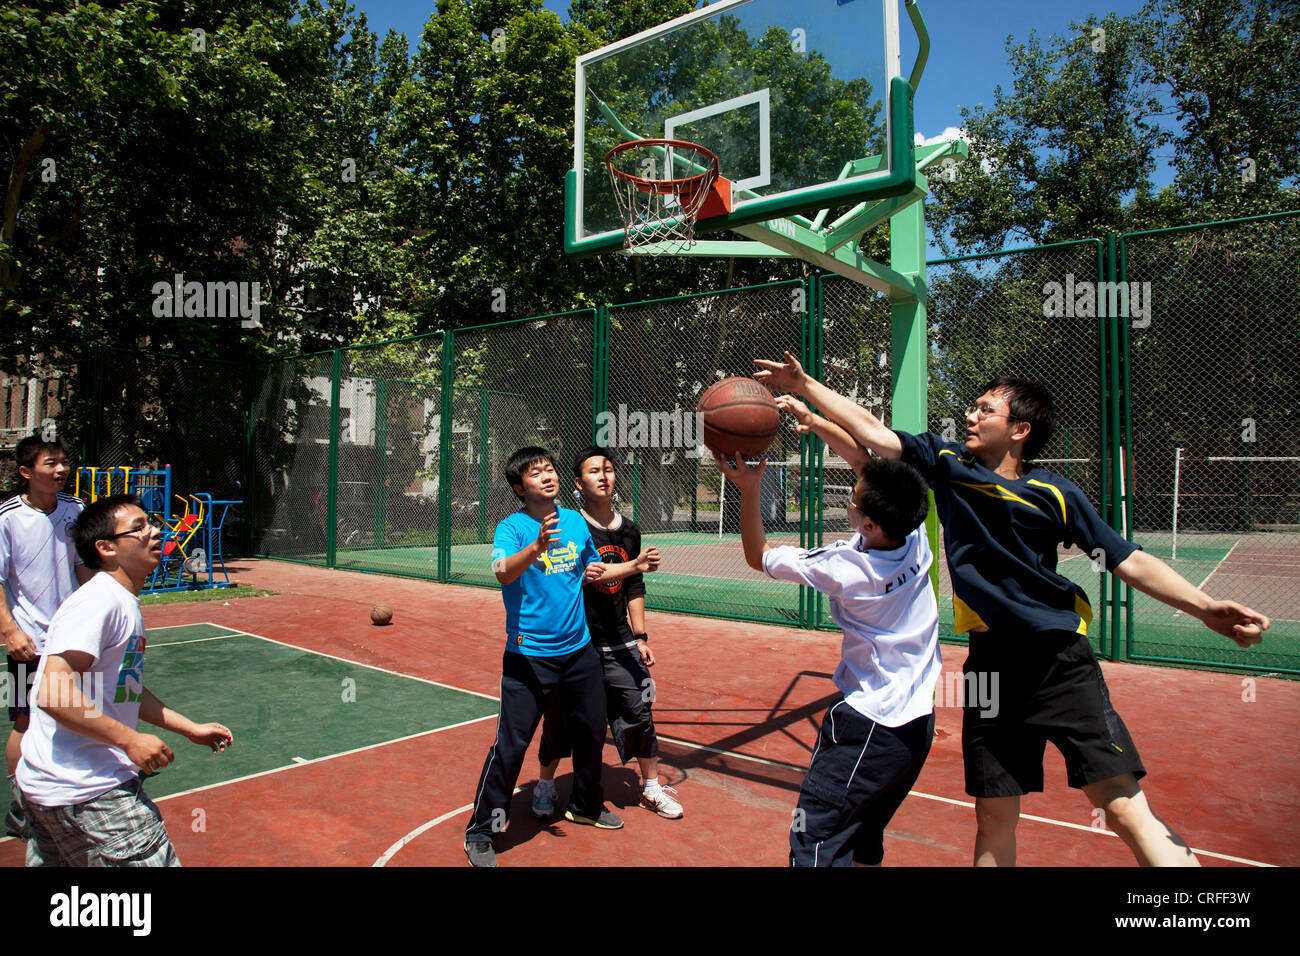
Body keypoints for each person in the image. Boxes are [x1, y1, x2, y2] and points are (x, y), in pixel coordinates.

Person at [755, 352, 1270, 866]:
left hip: (1059, 662)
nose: (971, 417)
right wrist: (808, 391)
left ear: (1019, 429)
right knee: (994, 819)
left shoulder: (1055, 493)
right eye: (973, 408)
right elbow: (873, 440)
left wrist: (1204, 607)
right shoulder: (948, 465)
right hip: (991, 669)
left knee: (1123, 810)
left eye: (985, 410)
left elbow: (1127, 560)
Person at [719, 426, 940, 865]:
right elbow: (868, 466)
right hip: (918, 724)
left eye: (853, 501)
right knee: (863, 839)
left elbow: (757, 554)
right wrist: (813, 417)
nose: (848, 502)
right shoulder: (914, 534)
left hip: (868, 725)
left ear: (870, 523)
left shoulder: (846, 566)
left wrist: (749, 489)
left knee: (816, 841)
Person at [15, 493, 233, 866]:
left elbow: (125, 687)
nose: (153, 531)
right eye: (139, 527)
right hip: (93, 795)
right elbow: (50, 692)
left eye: (150, 522)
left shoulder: (119, 600)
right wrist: (128, 739)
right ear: (106, 547)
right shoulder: (100, 602)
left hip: (53, 793)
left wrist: (189, 728)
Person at [464, 446, 656, 867]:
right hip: (528, 658)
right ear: (519, 487)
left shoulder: (572, 521)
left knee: (590, 734)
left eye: (550, 468)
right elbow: (502, 572)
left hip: (579, 653)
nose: (546, 476)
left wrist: (635, 566)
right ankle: (481, 829)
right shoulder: (511, 528)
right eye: (535, 473)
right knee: (511, 746)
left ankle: (586, 805)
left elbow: (595, 571)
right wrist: (536, 547)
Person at [532, 447, 681, 821]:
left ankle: (650, 787)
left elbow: (634, 585)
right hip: (577, 643)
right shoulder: (567, 525)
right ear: (578, 483)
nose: (604, 476)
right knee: (561, 720)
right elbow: (577, 576)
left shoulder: (629, 530)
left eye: (609, 470)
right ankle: (546, 784)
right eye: (594, 471)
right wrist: (633, 565)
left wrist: (641, 636)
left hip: (619, 641)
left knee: (640, 711)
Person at [0, 435, 94, 838]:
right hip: (29, 642)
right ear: (26, 472)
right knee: (25, 721)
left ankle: (77, 794)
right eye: (51, 463)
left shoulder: (76, 510)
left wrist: (96, 621)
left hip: (73, 640)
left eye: (64, 462)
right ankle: (22, 805)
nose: (61, 470)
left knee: (84, 714)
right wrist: (9, 631)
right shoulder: (6, 517)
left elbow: (86, 570)